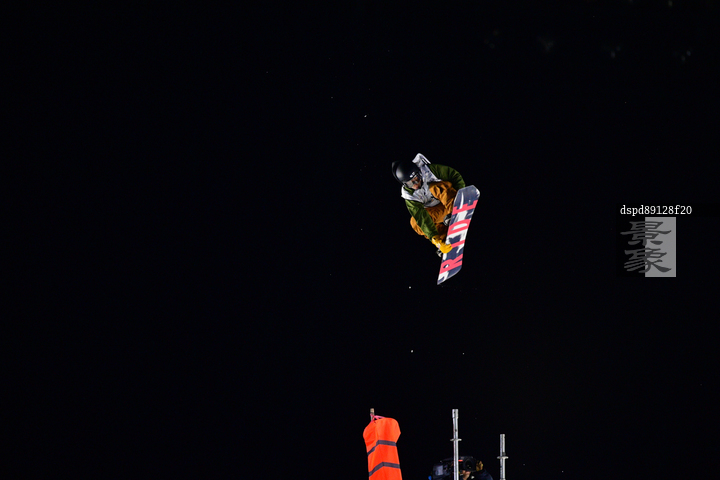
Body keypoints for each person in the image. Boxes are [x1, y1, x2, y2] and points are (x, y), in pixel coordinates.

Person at [391, 153, 466, 256]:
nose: (415, 185)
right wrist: (435, 239)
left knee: (434, 187)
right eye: (410, 183)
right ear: (405, 184)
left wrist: (462, 194)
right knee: (414, 222)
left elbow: (454, 175)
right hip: (439, 212)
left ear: (419, 173)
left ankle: (455, 210)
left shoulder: (430, 171)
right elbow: (420, 216)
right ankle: (444, 239)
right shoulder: (409, 195)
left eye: (416, 179)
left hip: (450, 201)